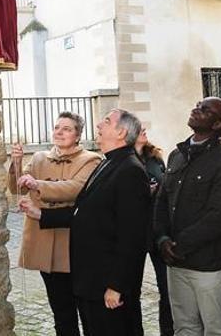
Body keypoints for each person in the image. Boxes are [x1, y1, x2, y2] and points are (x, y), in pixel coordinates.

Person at [20, 109, 150, 336]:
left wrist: (117, 286)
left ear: (121, 132)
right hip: (92, 281)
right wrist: (41, 215)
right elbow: (84, 212)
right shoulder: (107, 164)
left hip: (108, 284)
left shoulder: (130, 170)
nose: (99, 125)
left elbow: (132, 237)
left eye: (106, 121)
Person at [153, 97, 221, 336]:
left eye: (205, 110)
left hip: (209, 263)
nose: (196, 109)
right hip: (175, 260)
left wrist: (180, 244)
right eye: (197, 105)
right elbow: (162, 202)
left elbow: (219, 217)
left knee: (217, 328)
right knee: (184, 327)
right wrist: (162, 238)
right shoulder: (176, 155)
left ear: (217, 125)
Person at [8, 112, 101, 336]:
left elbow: (75, 188)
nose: (59, 132)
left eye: (67, 129)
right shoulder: (39, 158)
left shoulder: (91, 160)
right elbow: (16, 188)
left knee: (87, 312)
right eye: (57, 127)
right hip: (44, 244)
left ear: (78, 135)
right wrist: (17, 163)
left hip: (74, 245)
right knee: (61, 312)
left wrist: (37, 184)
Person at [134, 129, 174, 336]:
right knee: (131, 290)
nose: (144, 131)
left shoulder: (155, 158)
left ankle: (167, 331)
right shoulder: (123, 160)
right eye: (138, 128)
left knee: (167, 289)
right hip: (134, 233)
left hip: (158, 229)